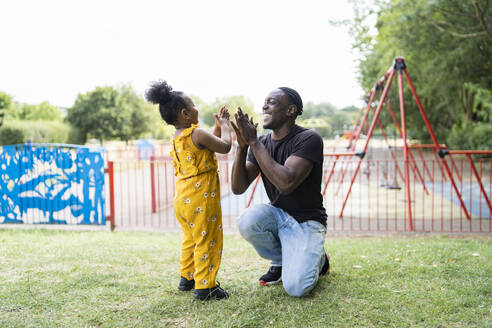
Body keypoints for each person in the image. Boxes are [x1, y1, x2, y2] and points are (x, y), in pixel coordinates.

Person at [230, 87, 329, 297]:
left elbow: (286, 183)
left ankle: (319, 259)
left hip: (307, 221)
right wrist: (242, 146)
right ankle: (281, 260)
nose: (264, 106)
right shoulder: (263, 143)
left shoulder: (309, 139)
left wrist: (254, 142)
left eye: (272, 102)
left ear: (290, 110)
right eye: (264, 101)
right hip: (278, 215)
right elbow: (238, 188)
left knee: (297, 288)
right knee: (248, 220)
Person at [145, 80, 231, 301]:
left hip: (183, 198)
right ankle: (206, 286)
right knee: (207, 238)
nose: (197, 109)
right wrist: (227, 126)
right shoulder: (197, 133)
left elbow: (206, 145)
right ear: (185, 113)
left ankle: (187, 277)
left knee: (191, 238)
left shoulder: (177, 137)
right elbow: (225, 146)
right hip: (202, 197)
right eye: (194, 106)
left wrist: (218, 127)